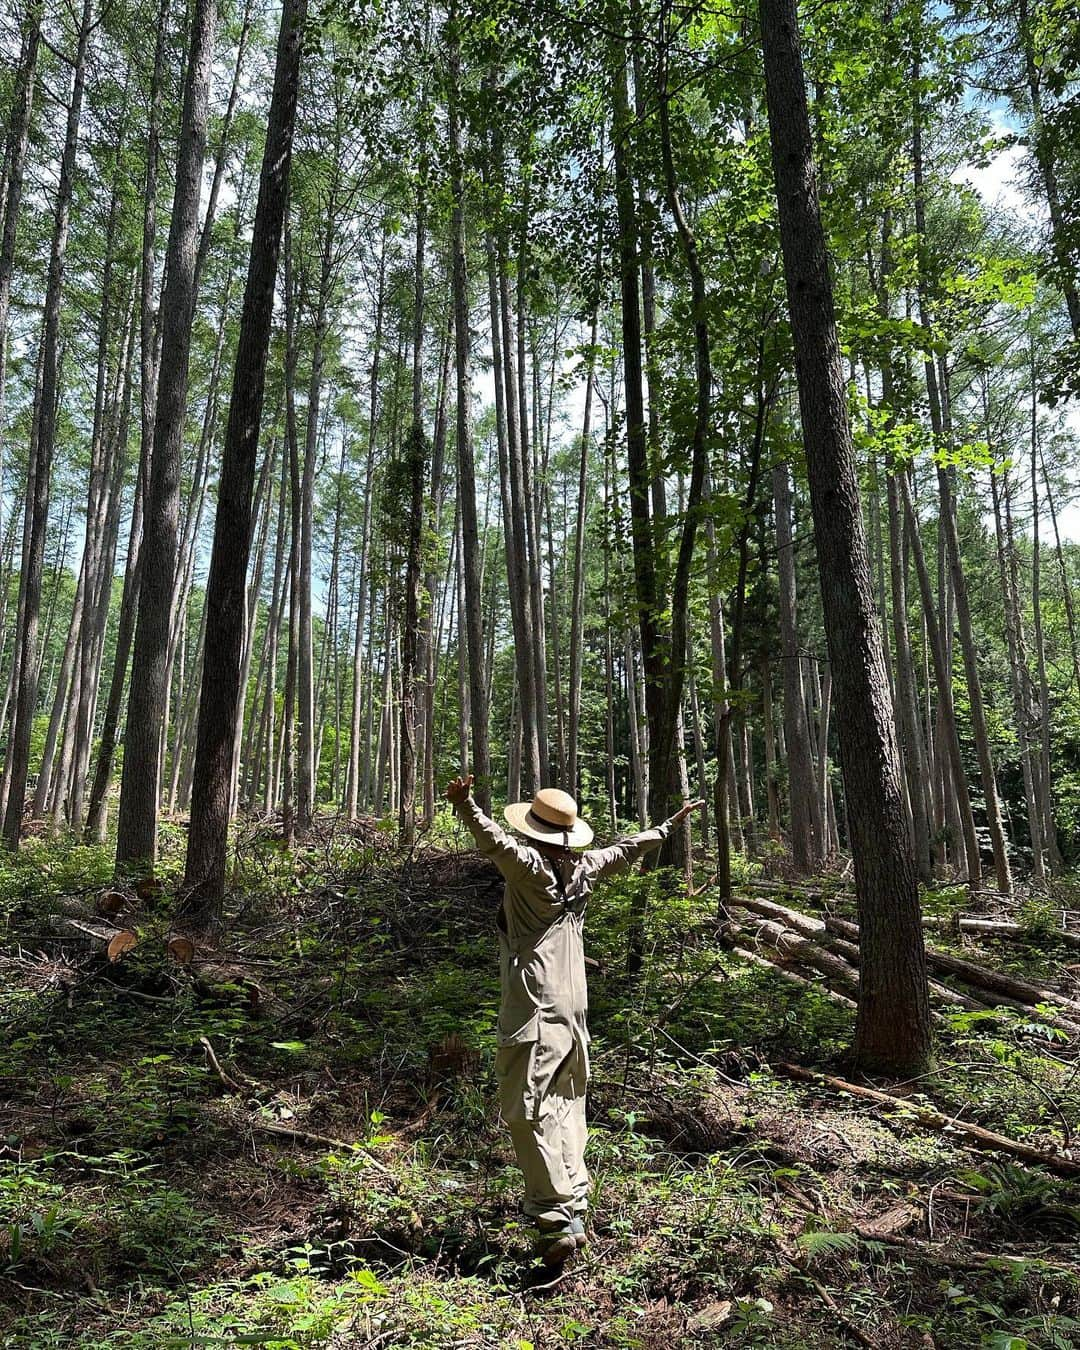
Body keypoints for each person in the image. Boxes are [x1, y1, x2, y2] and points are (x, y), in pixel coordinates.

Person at [446, 772, 703, 1267]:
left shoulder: (529, 870)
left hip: (535, 1007)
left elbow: (492, 843)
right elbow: (626, 850)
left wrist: (466, 805)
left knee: (527, 1108)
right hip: (575, 1008)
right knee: (568, 1102)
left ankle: (554, 1217)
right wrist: (667, 828)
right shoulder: (584, 869)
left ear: (533, 831)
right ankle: (575, 1207)